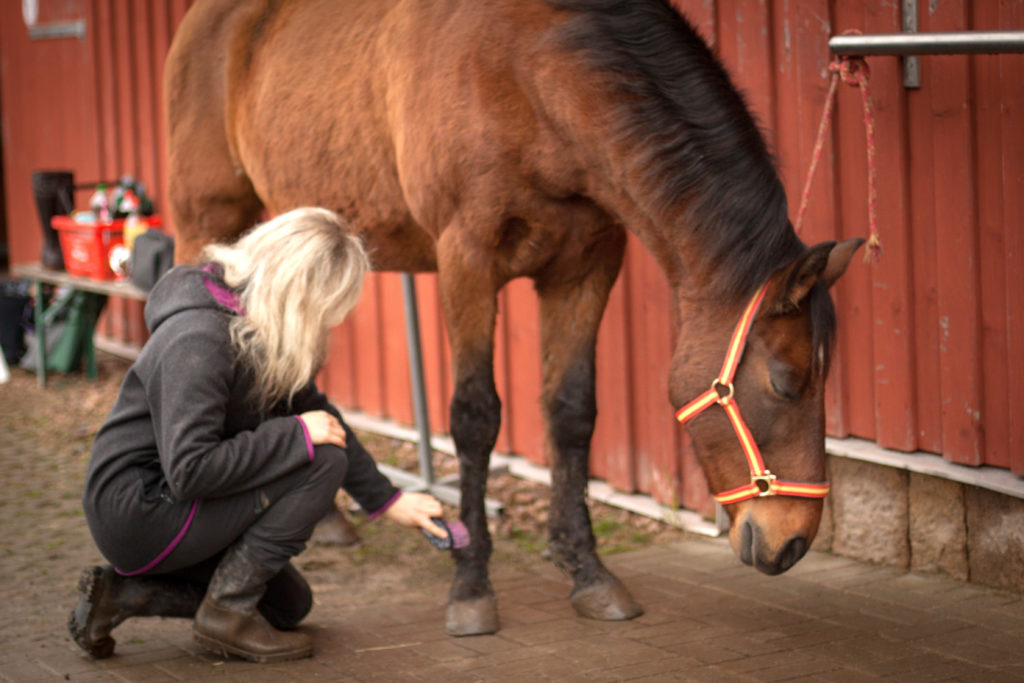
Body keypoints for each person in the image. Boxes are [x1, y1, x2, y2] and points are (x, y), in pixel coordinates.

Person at [68, 207, 447, 663]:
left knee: (287, 606)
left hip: (175, 504)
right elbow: (191, 471)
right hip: (142, 511)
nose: (329, 325)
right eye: (327, 310)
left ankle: (122, 595)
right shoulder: (199, 340)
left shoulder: (256, 326)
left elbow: (318, 413)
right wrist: (295, 437)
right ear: (300, 295)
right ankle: (226, 613)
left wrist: (387, 500)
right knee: (322, 458)